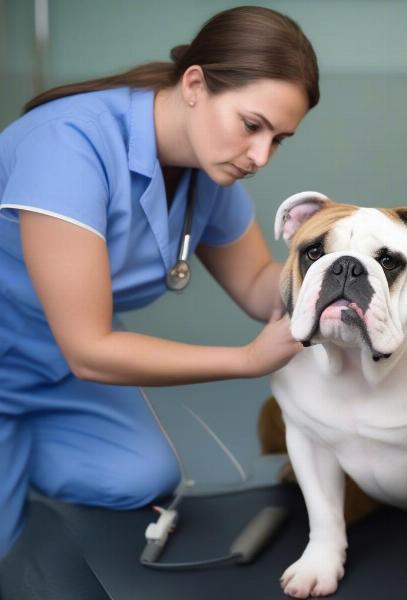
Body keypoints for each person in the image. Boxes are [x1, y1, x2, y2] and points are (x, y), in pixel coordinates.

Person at [0, 5, 319, 559]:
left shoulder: (206, 167)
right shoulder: (69, 144)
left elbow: (257, 286)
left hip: (48, 362)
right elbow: (91, 352)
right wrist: (246, 360)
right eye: (252, 126)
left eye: (279, 140)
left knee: (141, 474)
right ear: (195, 83)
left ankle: (18, 454)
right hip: (59, 353)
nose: (261, 156)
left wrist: (335, 271)